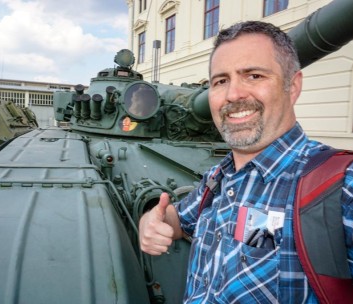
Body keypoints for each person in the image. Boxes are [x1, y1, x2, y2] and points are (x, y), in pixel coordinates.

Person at [138, 20, 353, 303]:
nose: (233, 94)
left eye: (253, 76)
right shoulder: (218, 178)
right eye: (221, 81)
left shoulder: (340, 186)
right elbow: (178, 219)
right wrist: (151, 220)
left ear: (294, 86)